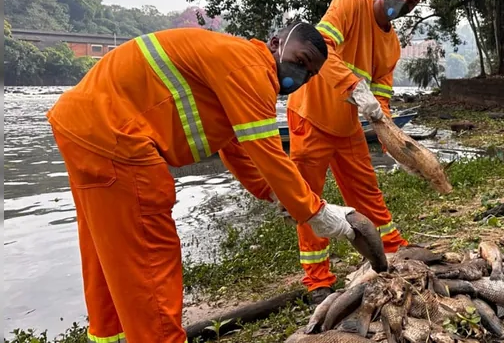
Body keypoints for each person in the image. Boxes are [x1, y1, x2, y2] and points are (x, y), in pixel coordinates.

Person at [45, 24, 361, 343]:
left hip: (83, 126)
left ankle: (110, 337)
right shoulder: (253, 69)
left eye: (310, 73)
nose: (300, 75)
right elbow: (268, 152)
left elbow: (235, 147)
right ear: (276, 43)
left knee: (109, 255)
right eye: (300, 60)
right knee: (150, 262)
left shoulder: (235, 64)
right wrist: (317, 213)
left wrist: (271, 192)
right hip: (118, 140)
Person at [286, 0, 425, 303]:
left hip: (349, 129)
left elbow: (383, 99)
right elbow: (321, 48)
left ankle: (392, 249)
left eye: (411, 2)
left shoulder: (392, 44)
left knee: (368, 193)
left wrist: (395, 143)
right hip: (311, 116)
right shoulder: (350, 3)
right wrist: (354, 87)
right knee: (309, 200)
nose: (402, 2)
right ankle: (318, 281)